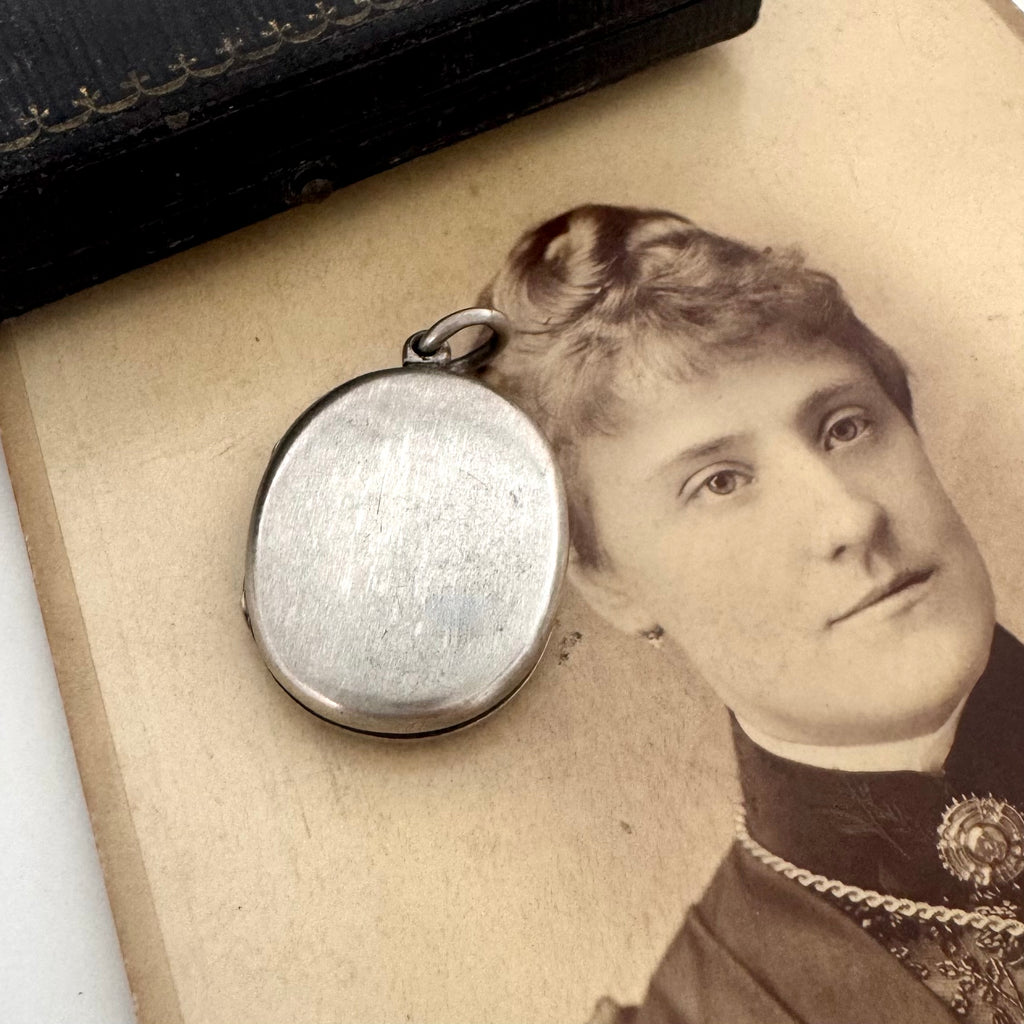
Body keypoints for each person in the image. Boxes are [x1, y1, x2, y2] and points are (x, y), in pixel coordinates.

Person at [476, 204, 1024, 1024]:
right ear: (610, 584)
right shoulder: (710, 1008)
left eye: (845, 427)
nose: (848, 520)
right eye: (721, 483)